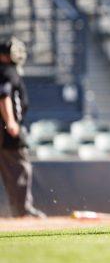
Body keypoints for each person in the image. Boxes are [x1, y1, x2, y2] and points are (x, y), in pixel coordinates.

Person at [0, 36, 46, 218]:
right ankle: (23, 211)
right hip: (6, 132)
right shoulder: (7, 71)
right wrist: (10, 121)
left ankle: (21, 211)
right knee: (20, 168)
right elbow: (3, 95)